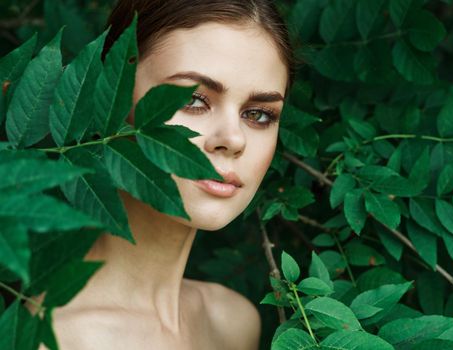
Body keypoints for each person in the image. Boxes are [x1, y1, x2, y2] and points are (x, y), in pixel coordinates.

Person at [47, 1, 293, 349]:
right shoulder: (52, 337)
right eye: (192, 99)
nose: (234, 139)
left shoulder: (233, 323)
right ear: (111, 98)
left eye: (259, 115)